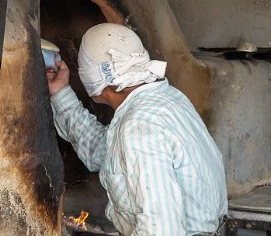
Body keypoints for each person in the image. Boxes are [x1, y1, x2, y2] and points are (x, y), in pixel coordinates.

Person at [46, 23, 228, 235]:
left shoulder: (138, 127)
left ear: (92, 77)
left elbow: (162, 230)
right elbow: (100, 151)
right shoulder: (167, 99)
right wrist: (60, 92)